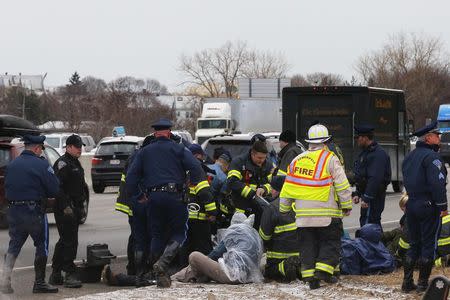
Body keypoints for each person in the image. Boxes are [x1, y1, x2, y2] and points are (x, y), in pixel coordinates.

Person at [126, 118, 203, 288]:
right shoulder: (178, 148)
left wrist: (139, 195)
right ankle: (162, 266)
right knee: (179, 233)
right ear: (169, 133)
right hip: (176, 197)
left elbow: (131, 178)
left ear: (155, 133)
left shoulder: (144, 152)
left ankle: (157, 273)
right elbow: (196, 167)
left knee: (157, 234)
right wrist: (194, 183)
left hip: (153, 198)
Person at [279, 124, 352, 290]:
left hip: (303, 217)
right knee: (330, 243)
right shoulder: (330, 158)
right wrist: (346, 205)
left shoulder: (297, 161)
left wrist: (284, 208)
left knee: (307, 247)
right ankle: (323, 271)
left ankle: (311, 278)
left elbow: (288, 187)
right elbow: (342, 185)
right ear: (326, 141)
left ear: (309, 142)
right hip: (327, 214)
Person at [0, 135, 60, 294]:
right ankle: (39, 283)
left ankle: (4, 282)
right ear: (37, 148)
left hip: (14, 211)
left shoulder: (12, 165)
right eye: (41, 149)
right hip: (34, 212)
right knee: (42, 246)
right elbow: (54, 189)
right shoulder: (41, 164)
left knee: (14, 245)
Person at [401, 121, 448, 293]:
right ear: (428, 138)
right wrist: (443, 206)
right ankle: (422, 284)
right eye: (437, 136)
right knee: (428, 244)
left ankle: (406, 283)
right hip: (428, 206)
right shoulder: (432, 158)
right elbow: (437, 184)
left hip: (412, 204)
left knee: (414, 244)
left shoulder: (409, 157)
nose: (439, 138)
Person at [171, 213, 264, 284]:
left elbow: (215, 254)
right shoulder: (252, 235)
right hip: (248, 276)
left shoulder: (234, 232)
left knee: (195, 256)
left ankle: (175, 278)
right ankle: (186, 276)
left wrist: (203, 264)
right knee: (206, 266)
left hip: (231, 276)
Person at [48, 134, 85, 288]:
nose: (80, 149)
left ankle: (56, 273)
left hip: (74, 206)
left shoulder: (75, 162)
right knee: (70, 241)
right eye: (77, 147)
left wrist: (80, 207)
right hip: (65, 208)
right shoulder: (63, 163)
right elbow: (57, 187)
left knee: (65, 241)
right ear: (68, 147)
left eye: (81, 147)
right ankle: (69, 273)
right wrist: (65, 206)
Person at [179, 144, 217, 266]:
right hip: (200, 219)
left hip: (184, 218)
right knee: (204, 249)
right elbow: (205, 193)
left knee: (185, 247)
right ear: (198, 155)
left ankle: (184, 271)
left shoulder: (181, 168)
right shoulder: (198, 169)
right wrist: (212, 213)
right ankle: (204, 272)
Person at [259, 175, 301, 282]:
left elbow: (264, 236)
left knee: (269, 271)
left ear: (278, 190)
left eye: (273, 189)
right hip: (302, 252)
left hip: (278, 256)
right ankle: (300, 267)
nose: (271, 191)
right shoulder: (300, 203)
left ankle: (285, 266)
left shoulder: (272, 207)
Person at [227, 140, 274, 228]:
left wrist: (264, 189)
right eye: (259, 158)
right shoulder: (238, 162)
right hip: (241, 209)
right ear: (252, 154)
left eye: (264, 157)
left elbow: (273, 183)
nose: (262, 161)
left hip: (259, 209)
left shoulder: (268, 164)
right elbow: (232, 182)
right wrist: (252, 194)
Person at [352, 125, 391, 227]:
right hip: (368, 196)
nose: (357, 140)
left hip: (374, 197)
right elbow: (362, 175)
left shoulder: (377, 154)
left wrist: (367, 197)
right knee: (367, 223)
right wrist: (358, 193)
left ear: (365, 138)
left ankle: (376, 243)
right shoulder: (366, 153)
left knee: (369, 226)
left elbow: (375, 178)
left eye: (358, 138)